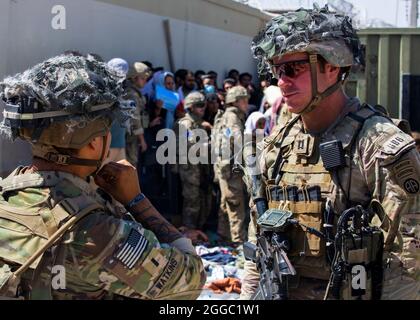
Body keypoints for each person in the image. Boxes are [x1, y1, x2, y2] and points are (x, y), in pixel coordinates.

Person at [240, 5, 420, 300]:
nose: (281, 81)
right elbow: (257, 245)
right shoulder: (278, 144)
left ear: (333, 66)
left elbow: (407, 262)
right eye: (276, 70)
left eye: (293, 68)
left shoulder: (378, 145)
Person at [0, 54, 206, 300]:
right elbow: (190, 282)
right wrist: (137, 200)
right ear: (93, 142)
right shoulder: (94, 232)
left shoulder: (6, 193)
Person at [212, 86, 249, 243]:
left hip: (223, 167)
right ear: (235, 101)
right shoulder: (233, 117)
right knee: (236, 204)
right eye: (244, 100)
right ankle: (238, 241)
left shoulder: (223, 116)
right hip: (231, 168)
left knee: (225, 203)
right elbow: (238, 140)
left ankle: (223, 235)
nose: (247, 103)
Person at [173, 92, 212, 231]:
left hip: (200, 168)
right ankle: (190, 231)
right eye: (199, 105)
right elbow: (188, 147)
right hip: (190, 169)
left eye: (204, 105)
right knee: (192, 200)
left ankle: (198, 229)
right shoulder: (185, 124)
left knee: (202, 199)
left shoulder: (198, 123)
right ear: (190, 107)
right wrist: (209, 145)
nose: (203, 108)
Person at [125, 62, 151, 167]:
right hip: (132, 137)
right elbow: (135, 118)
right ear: (135, 78)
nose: (146, 81)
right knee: (130, 165)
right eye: (143, 78)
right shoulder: (132, 94)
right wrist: (142, 139)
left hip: (133, 135)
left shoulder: (135, 92)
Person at [107, 58, 130, 162]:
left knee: (121, 174)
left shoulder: (122, 87)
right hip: (109, 144)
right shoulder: (106, 87)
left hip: (119, 141)